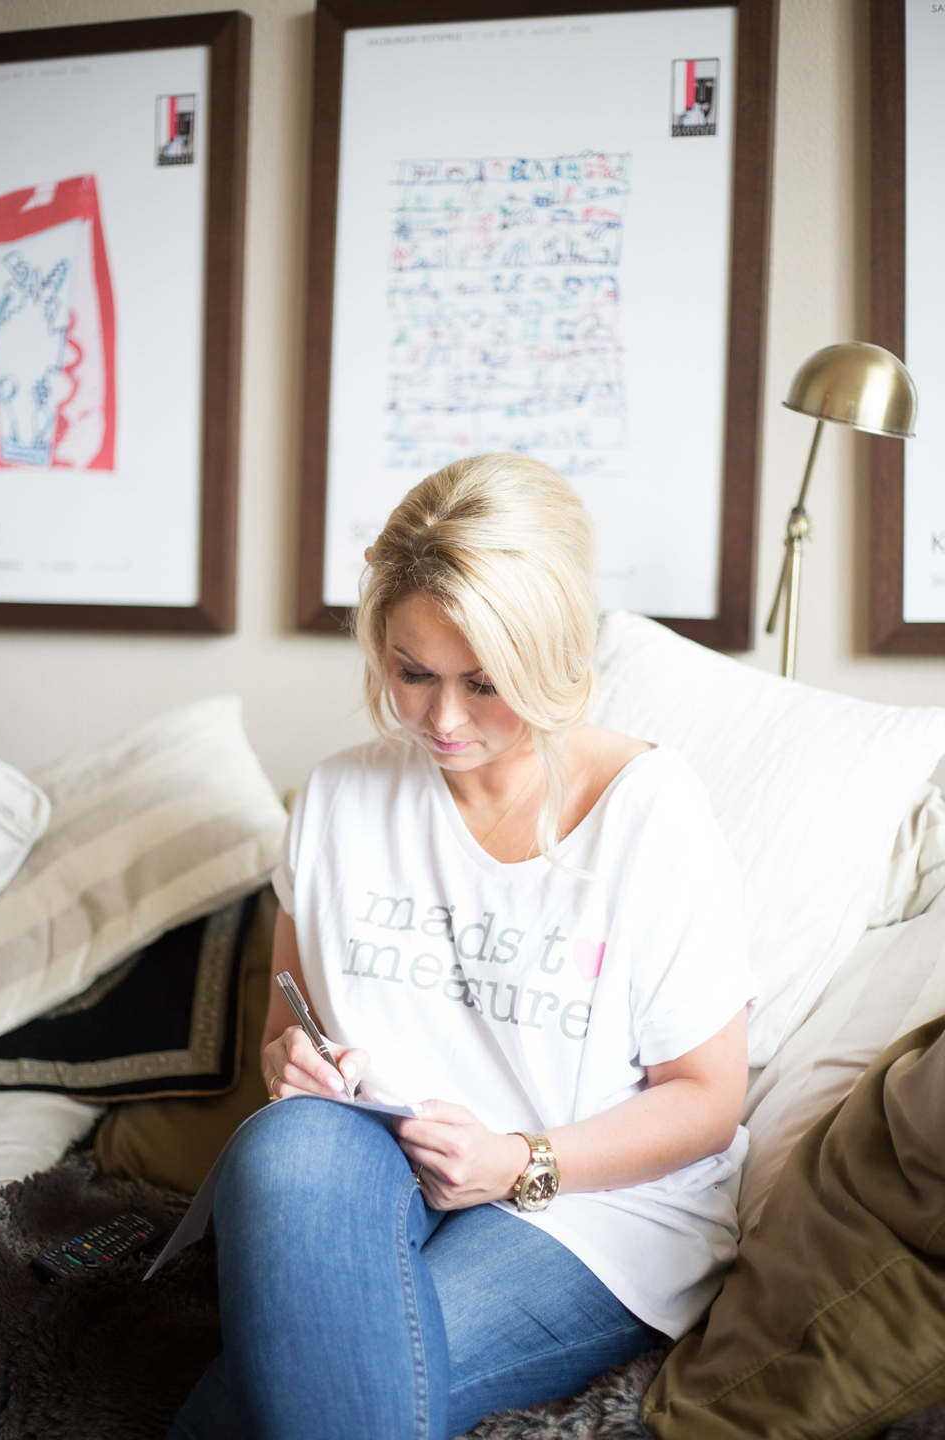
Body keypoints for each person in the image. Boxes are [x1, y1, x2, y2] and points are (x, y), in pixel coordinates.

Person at [167, 453, 754, 1440]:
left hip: (589, 1205)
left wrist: (514, 1164)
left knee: (249, 1409)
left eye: (485, 684)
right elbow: (287, 1024)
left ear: (553, 656)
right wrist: (296, 1064)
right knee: (284, 1149)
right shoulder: (338, 800)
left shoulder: (649, 812)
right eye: (413, 674)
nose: (443, 720)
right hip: (380, 1158)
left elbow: (706, 1099)